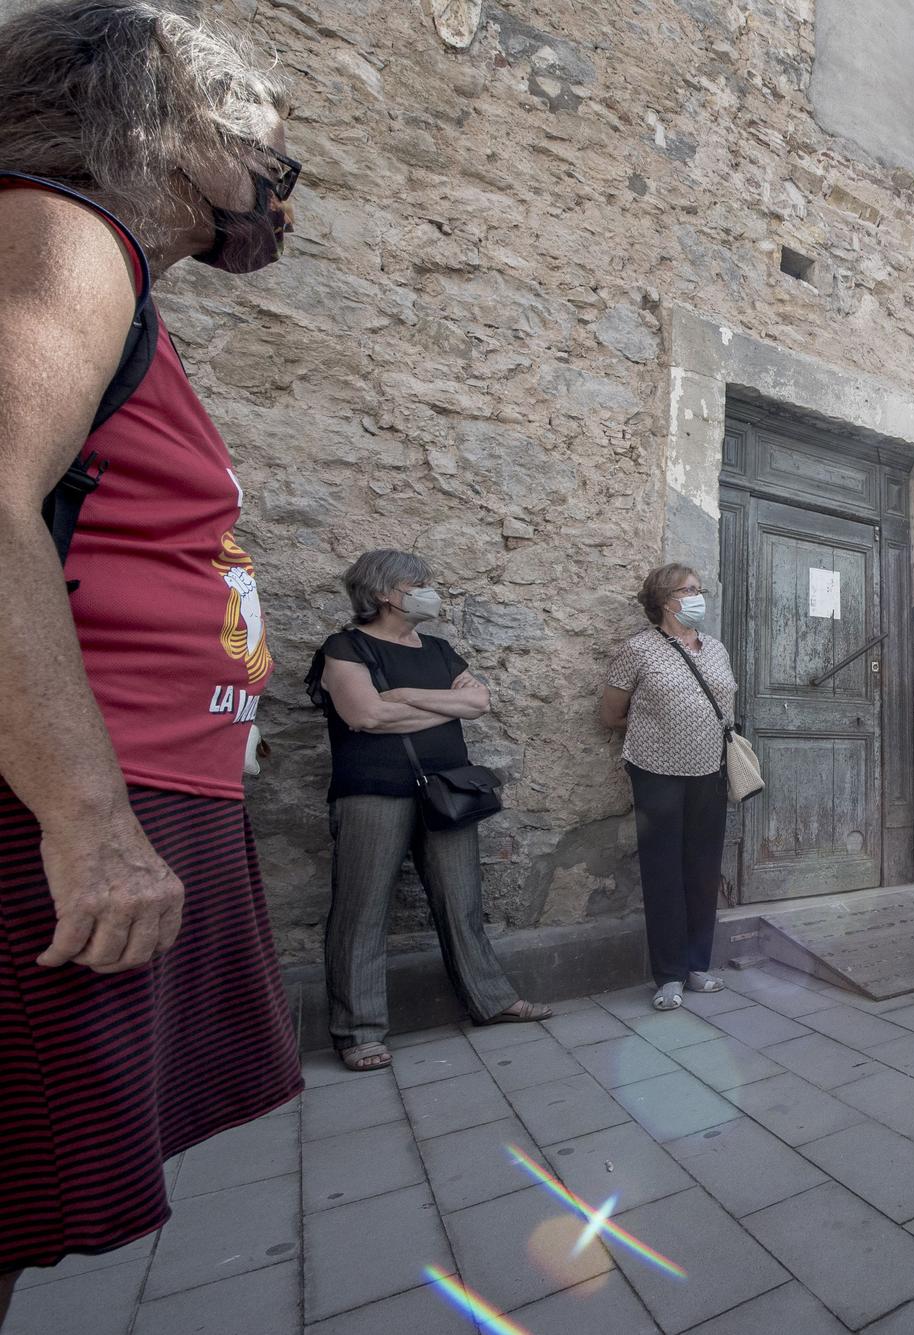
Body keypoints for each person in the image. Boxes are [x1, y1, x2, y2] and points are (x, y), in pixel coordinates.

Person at [0, 0, 305, 1311]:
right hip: (52, 815)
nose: (284, 194)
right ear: (174, 127)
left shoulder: (108, 275)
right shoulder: (64, 231)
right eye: (270, 156)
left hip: (132, 787)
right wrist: (87, 812)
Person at [307, 552, 550, 1072]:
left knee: (461, 900)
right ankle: (360, 1031)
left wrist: (407, 696)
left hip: (446, 789)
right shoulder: (345, 647)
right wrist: (440, 705)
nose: (429, 590)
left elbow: (479, 703)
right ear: (382, 594)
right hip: (372, 791)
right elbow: (365, 715)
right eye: (417, 583)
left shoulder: (439, 649)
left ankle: (491, 1000)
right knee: (362, 909)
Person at [600, 564, 735, 1011]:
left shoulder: (715, 649)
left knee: (702, 870)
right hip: (656, 771)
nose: (698, 596)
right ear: (665, 600)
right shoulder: (637, 649)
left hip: (710, 772)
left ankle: (698, 965)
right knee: (663, 872)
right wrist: (661, 735)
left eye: (699, 589)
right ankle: (669, 975)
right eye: (688, 590)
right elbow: (612, 715)